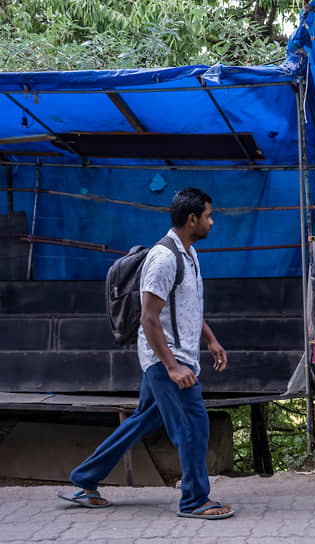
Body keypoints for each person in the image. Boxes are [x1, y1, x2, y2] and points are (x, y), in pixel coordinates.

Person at [58, 187, 235, 519]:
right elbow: (149, 317)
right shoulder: (163, 257)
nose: (213, 222)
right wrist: (172, 367)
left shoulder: (189, 254)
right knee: (193, 425)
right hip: (167, 359)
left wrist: (210, 339)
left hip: (177, 356)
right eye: (209, 216)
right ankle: (195, 500)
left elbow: (188, 307)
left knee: (142, 420)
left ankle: (85, 479)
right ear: (192, 218)